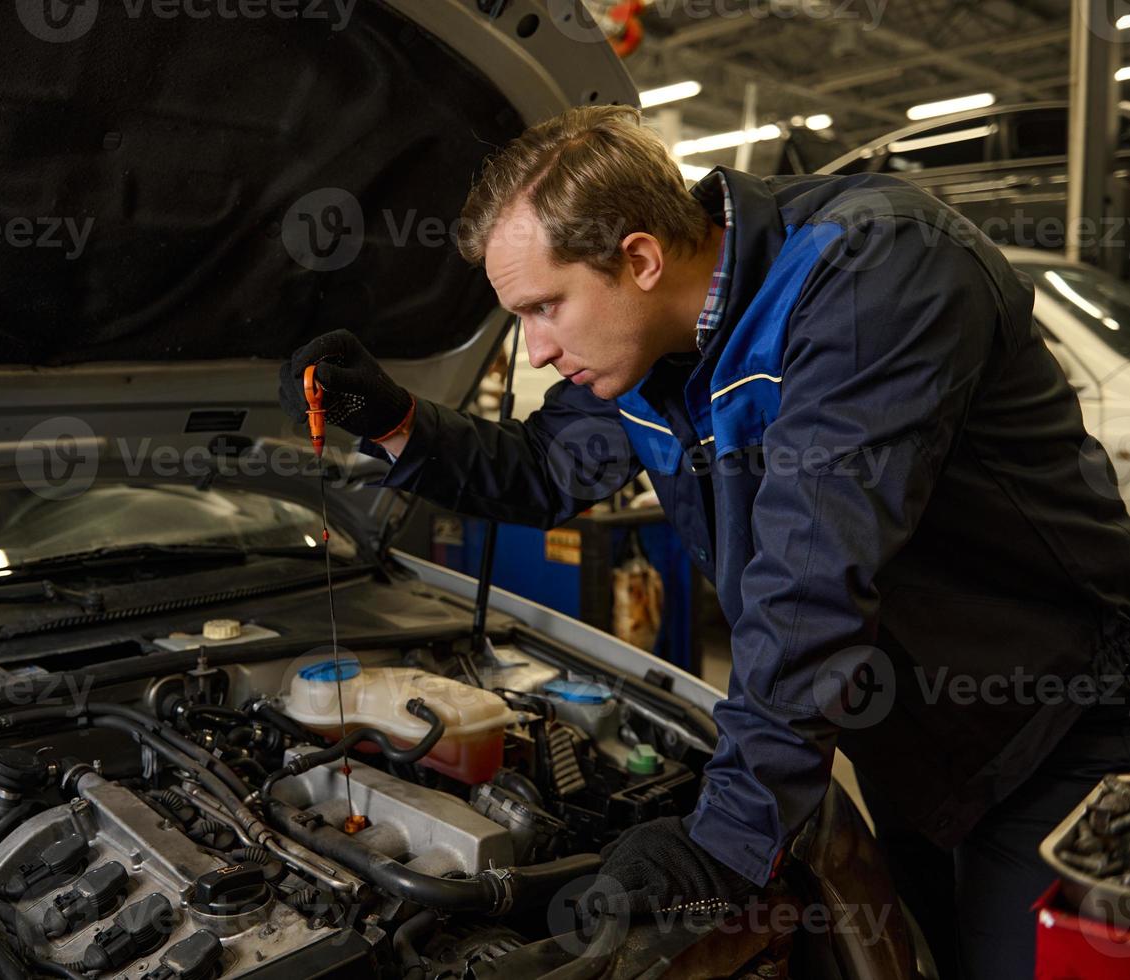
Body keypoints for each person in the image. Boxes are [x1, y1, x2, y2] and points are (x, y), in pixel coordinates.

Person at [278, 105, 1130, 978]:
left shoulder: (871, 276)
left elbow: (810, 587)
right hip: (905, 735)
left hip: (1054, 730)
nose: (533, 352)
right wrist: (390, 422)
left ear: (640, 258)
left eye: (544, 308)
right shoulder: (649, 349)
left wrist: (720, 844)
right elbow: (540, 468)